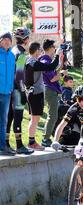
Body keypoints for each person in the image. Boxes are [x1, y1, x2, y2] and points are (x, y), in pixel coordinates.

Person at [25, 42, 63, 151]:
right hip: (35, 93)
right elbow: (50, 67)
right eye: (40, 50)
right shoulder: (33, 62)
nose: (41, 52)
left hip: (33, 92)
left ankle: (32, 141)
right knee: (35, 119)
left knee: (34, 119)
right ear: (37, 50)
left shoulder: (29, 60)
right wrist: (57, 55)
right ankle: (32, 142)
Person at [6, 27, 34, 155]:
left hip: (8, 88)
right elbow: (19, 76)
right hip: (17, 89)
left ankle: (6, 143)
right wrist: (23, 93)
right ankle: (19, 145)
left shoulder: (12, 50)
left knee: (9, 116)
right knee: (18, 116)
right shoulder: (21, 54)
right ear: (26, 40)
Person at [41, 39, 67, 147]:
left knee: (53, 115)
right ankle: (45, 138)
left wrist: (61, 64)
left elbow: (54, 72)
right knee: (53, 115)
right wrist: (61, 74)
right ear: (50, 48)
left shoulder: (47, 61)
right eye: (54, 47)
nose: (55, 49)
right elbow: (52, 79)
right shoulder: (45, 61)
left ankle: (46, 137)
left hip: (51, 90)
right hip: (49, 90)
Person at [0, 32, 16, 156]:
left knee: (4, 120)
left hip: (7, 93)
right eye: (4, 39)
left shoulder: (11, 56)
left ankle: (2, 146)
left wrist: (10, 88)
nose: (6, 42)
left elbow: (12, 74)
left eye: (8, 40)